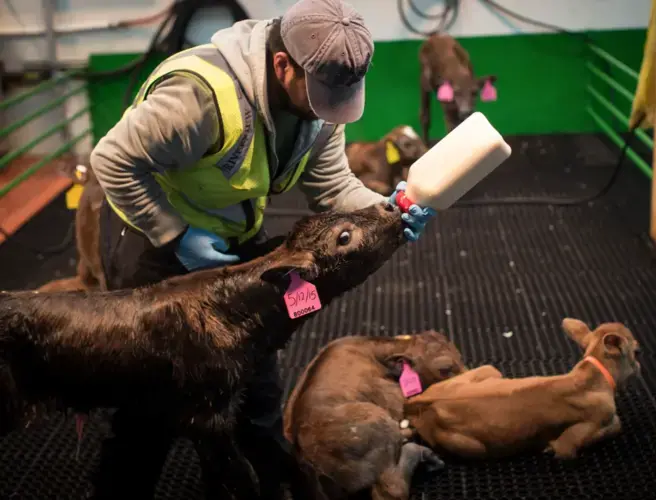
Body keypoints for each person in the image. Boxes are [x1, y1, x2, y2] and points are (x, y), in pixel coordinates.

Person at [87, 0, 435, 498]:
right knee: (151, 401)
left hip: (231, 233)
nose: (327, 107)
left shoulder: (321, 95)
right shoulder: (199, 97)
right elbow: (113, 161)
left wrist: (387, 212)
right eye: (318, 93)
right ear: (281, 65)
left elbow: (332, 183)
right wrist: (174, 235)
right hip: (149, 237)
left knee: (255, 390)